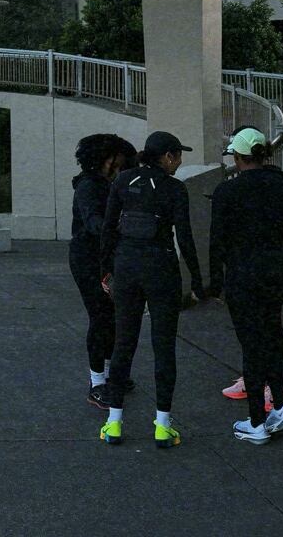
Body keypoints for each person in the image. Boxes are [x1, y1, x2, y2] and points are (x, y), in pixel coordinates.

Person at [97, 131, 205, 448]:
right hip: (161, 268)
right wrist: (197, 279)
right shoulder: (175, 189)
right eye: (178, 156)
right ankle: (162, 425)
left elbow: (108, 228)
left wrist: (106, 269)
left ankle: (114, 422)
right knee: (164, 347)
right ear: (167, 157)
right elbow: (184, 237)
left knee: (123, 343)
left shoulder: (123, 181)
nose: (180, 162)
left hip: (127, 267)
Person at [208, 127, 283, 445]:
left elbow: (216, 243)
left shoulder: (226, 191)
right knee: (273, 331)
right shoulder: (279, 185)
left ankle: (256, 421)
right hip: (277, 271)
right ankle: (279, 404)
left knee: (251, 343)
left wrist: (215, 283)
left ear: (237, 157)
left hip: (243, 274)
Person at [70, 133, 138, 407]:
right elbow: (93, 222)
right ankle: (97, 382)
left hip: (104, 258)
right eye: (117, 160)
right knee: (101, 318)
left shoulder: (105, 183)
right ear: (105, 159)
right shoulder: (89, 186)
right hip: (89, 260)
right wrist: (119, 229)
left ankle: (109, 376)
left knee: (111, 318)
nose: (120, 166)